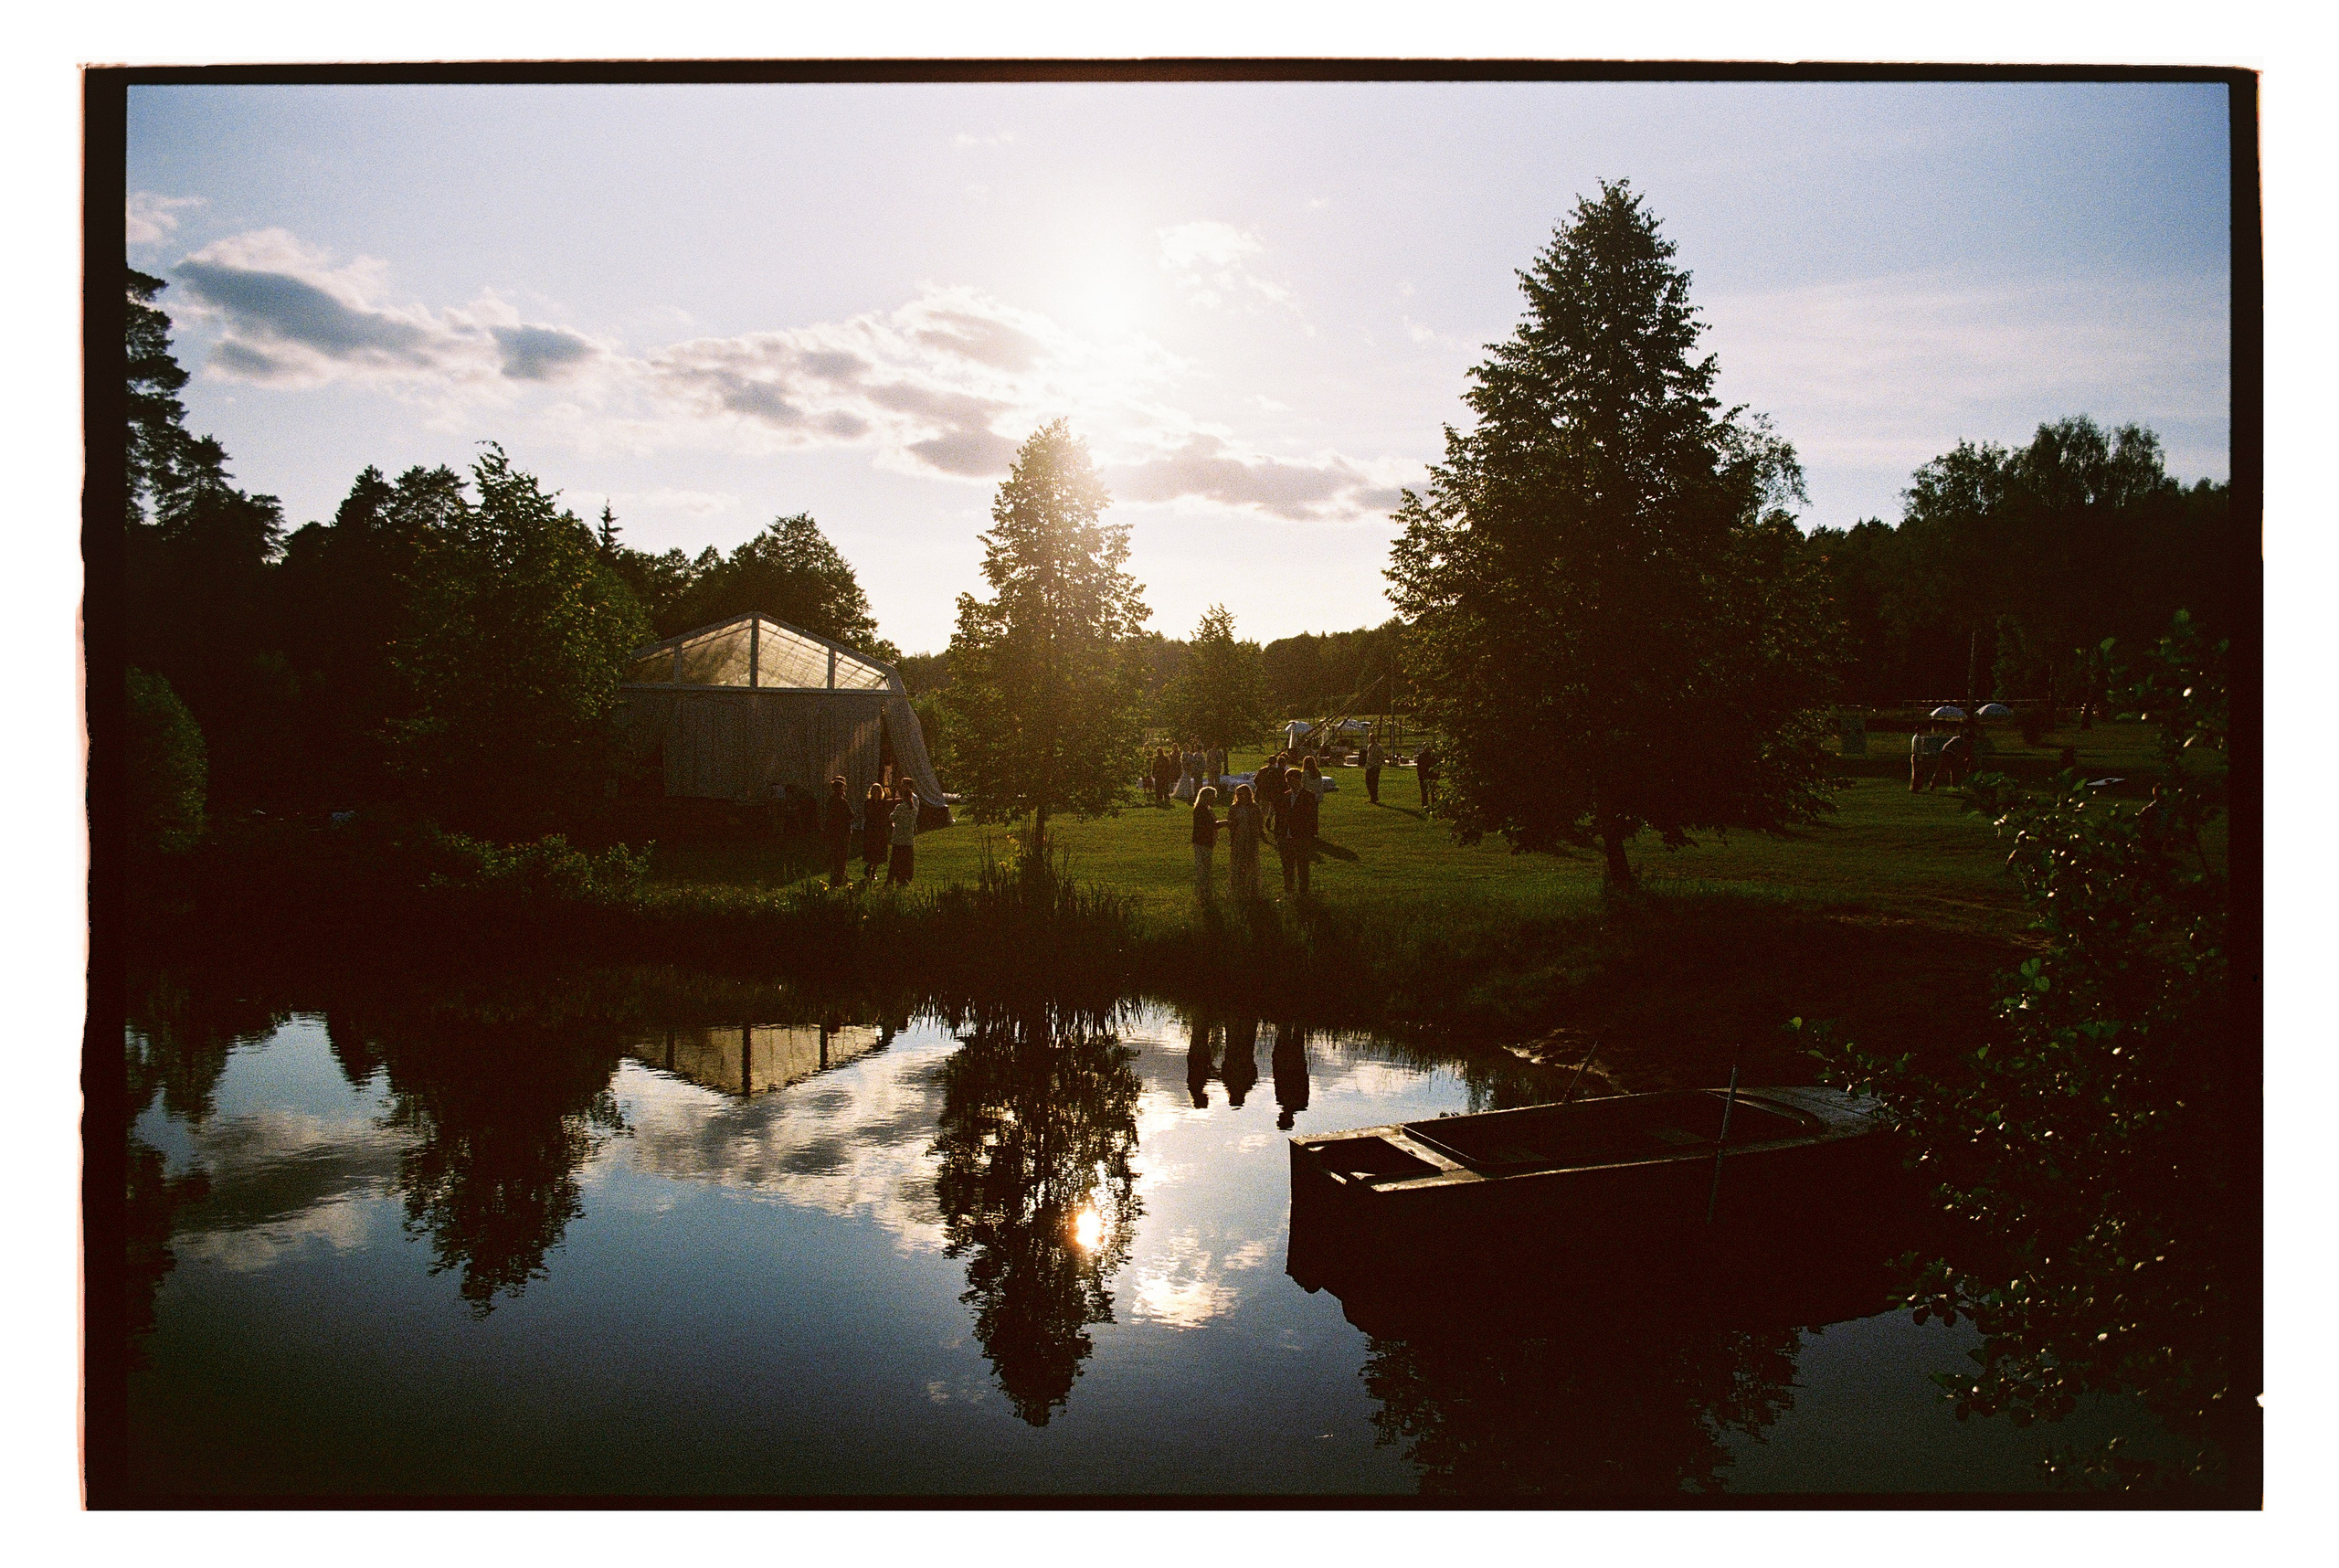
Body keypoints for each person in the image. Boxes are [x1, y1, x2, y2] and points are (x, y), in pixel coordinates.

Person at [1278, 765, 1318, 897]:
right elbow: (1281, 816)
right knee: (1287, 866)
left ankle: (1303, 891)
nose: (1289, 783)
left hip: (1301, 836)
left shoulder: (1308, 796)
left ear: (1298, 780)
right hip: (1286, 836)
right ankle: (1289, 889)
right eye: (1287, 781)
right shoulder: (1286, 795)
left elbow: (1312, 818)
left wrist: (1310, 836)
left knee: (1302, 866)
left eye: (1291, 780)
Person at [1225, 782, 1265, 901]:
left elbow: (1259, 822)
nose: (1240, 797)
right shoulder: (1234, 808)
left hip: (1251, 838)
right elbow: (1230, 822)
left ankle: (1252, 888)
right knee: (1237, 863)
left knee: (1251, 863)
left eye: (1242, 794)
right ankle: (1237, 888)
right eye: (1238, 794)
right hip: (1238, 838)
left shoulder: (1254, 807)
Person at [1191, 785, 1223, 899]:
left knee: (1205, 867)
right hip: (1202, 841)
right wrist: (1226, 823)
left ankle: (1204, 890)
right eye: (1212, 796)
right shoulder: (1201, 810)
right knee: (1203, 867)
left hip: (1205, 841)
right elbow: (1211, 825)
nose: (1214, 799)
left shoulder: (1205, 809)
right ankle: (1203, 892)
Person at [820, 776, 853, 889]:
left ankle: (836, 874)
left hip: (832, 831)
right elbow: (851, 815)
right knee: (842, 854)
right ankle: (840, 875)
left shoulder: (830, 801)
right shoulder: (842, 802)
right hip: (843, 832)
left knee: (835, 853)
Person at [886, 780, 919, 885]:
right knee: (907, 860)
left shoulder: (900, 807)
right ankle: (906, 878)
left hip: (899, 837)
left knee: (895, 860)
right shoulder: (914, 809)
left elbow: (892, 817)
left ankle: (891, 879)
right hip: (908, 837)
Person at [860, 780, 891, 879]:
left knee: (879, 851)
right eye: (874, 791)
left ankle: (874, 870)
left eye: (877, 791)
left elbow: (885, 815)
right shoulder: (868, 803)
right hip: (871, 828)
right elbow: (868, 814)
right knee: (872, 850)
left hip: (880, 829)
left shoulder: (883, 803)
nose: (876, 793)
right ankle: (869, 867)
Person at [1413, 742, 1442, 811]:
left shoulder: (1422, 756)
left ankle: (1427, 805)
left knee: (1427, 793)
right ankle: (1432, 805)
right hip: (1429, 776)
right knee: (1429, 793)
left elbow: (1419, 767)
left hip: (1426, 776)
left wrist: (1420, 775)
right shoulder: (1433, 756)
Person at [1362, 733, 1385, 805]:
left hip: (1375, 767)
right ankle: (1371, 797)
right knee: (1368, 782)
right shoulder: (1369, 746)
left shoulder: (1378, 747)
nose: (1371, 739)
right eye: (1370, 738)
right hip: (1369, 766)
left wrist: (1378, 766)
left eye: (1372, 738)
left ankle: (1375, 798)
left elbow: (1381, 757)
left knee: (1374, 783)